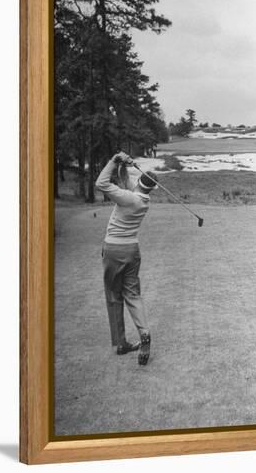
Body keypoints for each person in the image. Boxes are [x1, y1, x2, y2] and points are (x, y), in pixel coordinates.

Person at [95, 152, 158, 365]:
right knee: (133, 294)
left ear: (139, 181)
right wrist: (124, 165)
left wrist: (113, 160)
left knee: (114, 296)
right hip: (132, 251)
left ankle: (121, 343)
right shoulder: (142, 199)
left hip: (114, 250)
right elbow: (125, 183)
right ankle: (145, 332)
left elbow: (101, 183)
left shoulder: (129, 197)